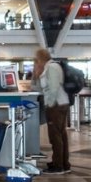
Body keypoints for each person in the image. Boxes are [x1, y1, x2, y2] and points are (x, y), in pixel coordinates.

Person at [33, 47, 71, 175]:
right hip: (58, 104)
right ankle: (63, 164)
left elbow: (54, 88)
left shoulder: (52, 67)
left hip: (56, 105)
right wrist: (36, 73)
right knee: (60, 135)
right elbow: (39, 87)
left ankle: (58, 166)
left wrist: (49, 105)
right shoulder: (47, 68)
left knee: (55, 136)